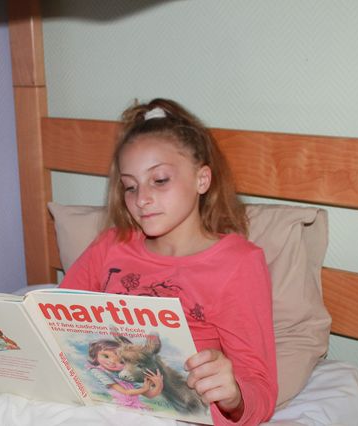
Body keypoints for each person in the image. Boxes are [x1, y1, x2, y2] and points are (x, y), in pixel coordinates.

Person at [60, 98, 277, 424]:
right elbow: (55, 319)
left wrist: (233, 396)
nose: (141, 199)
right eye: (130, 187)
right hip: (96, 403)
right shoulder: (110, 246)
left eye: (159, 180)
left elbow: (260, 389)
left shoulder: (238, 263)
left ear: (202, 179)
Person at [86, 339, 163, 409]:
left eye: (121, 362)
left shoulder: (123, 376)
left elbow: (149, 395)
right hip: (119, 406)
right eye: (106, 356)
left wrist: (159, 384)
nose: (112, 362)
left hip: (134, 406)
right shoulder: (98, 371)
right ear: (96, 355)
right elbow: (125, 392)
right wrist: (144, 389)